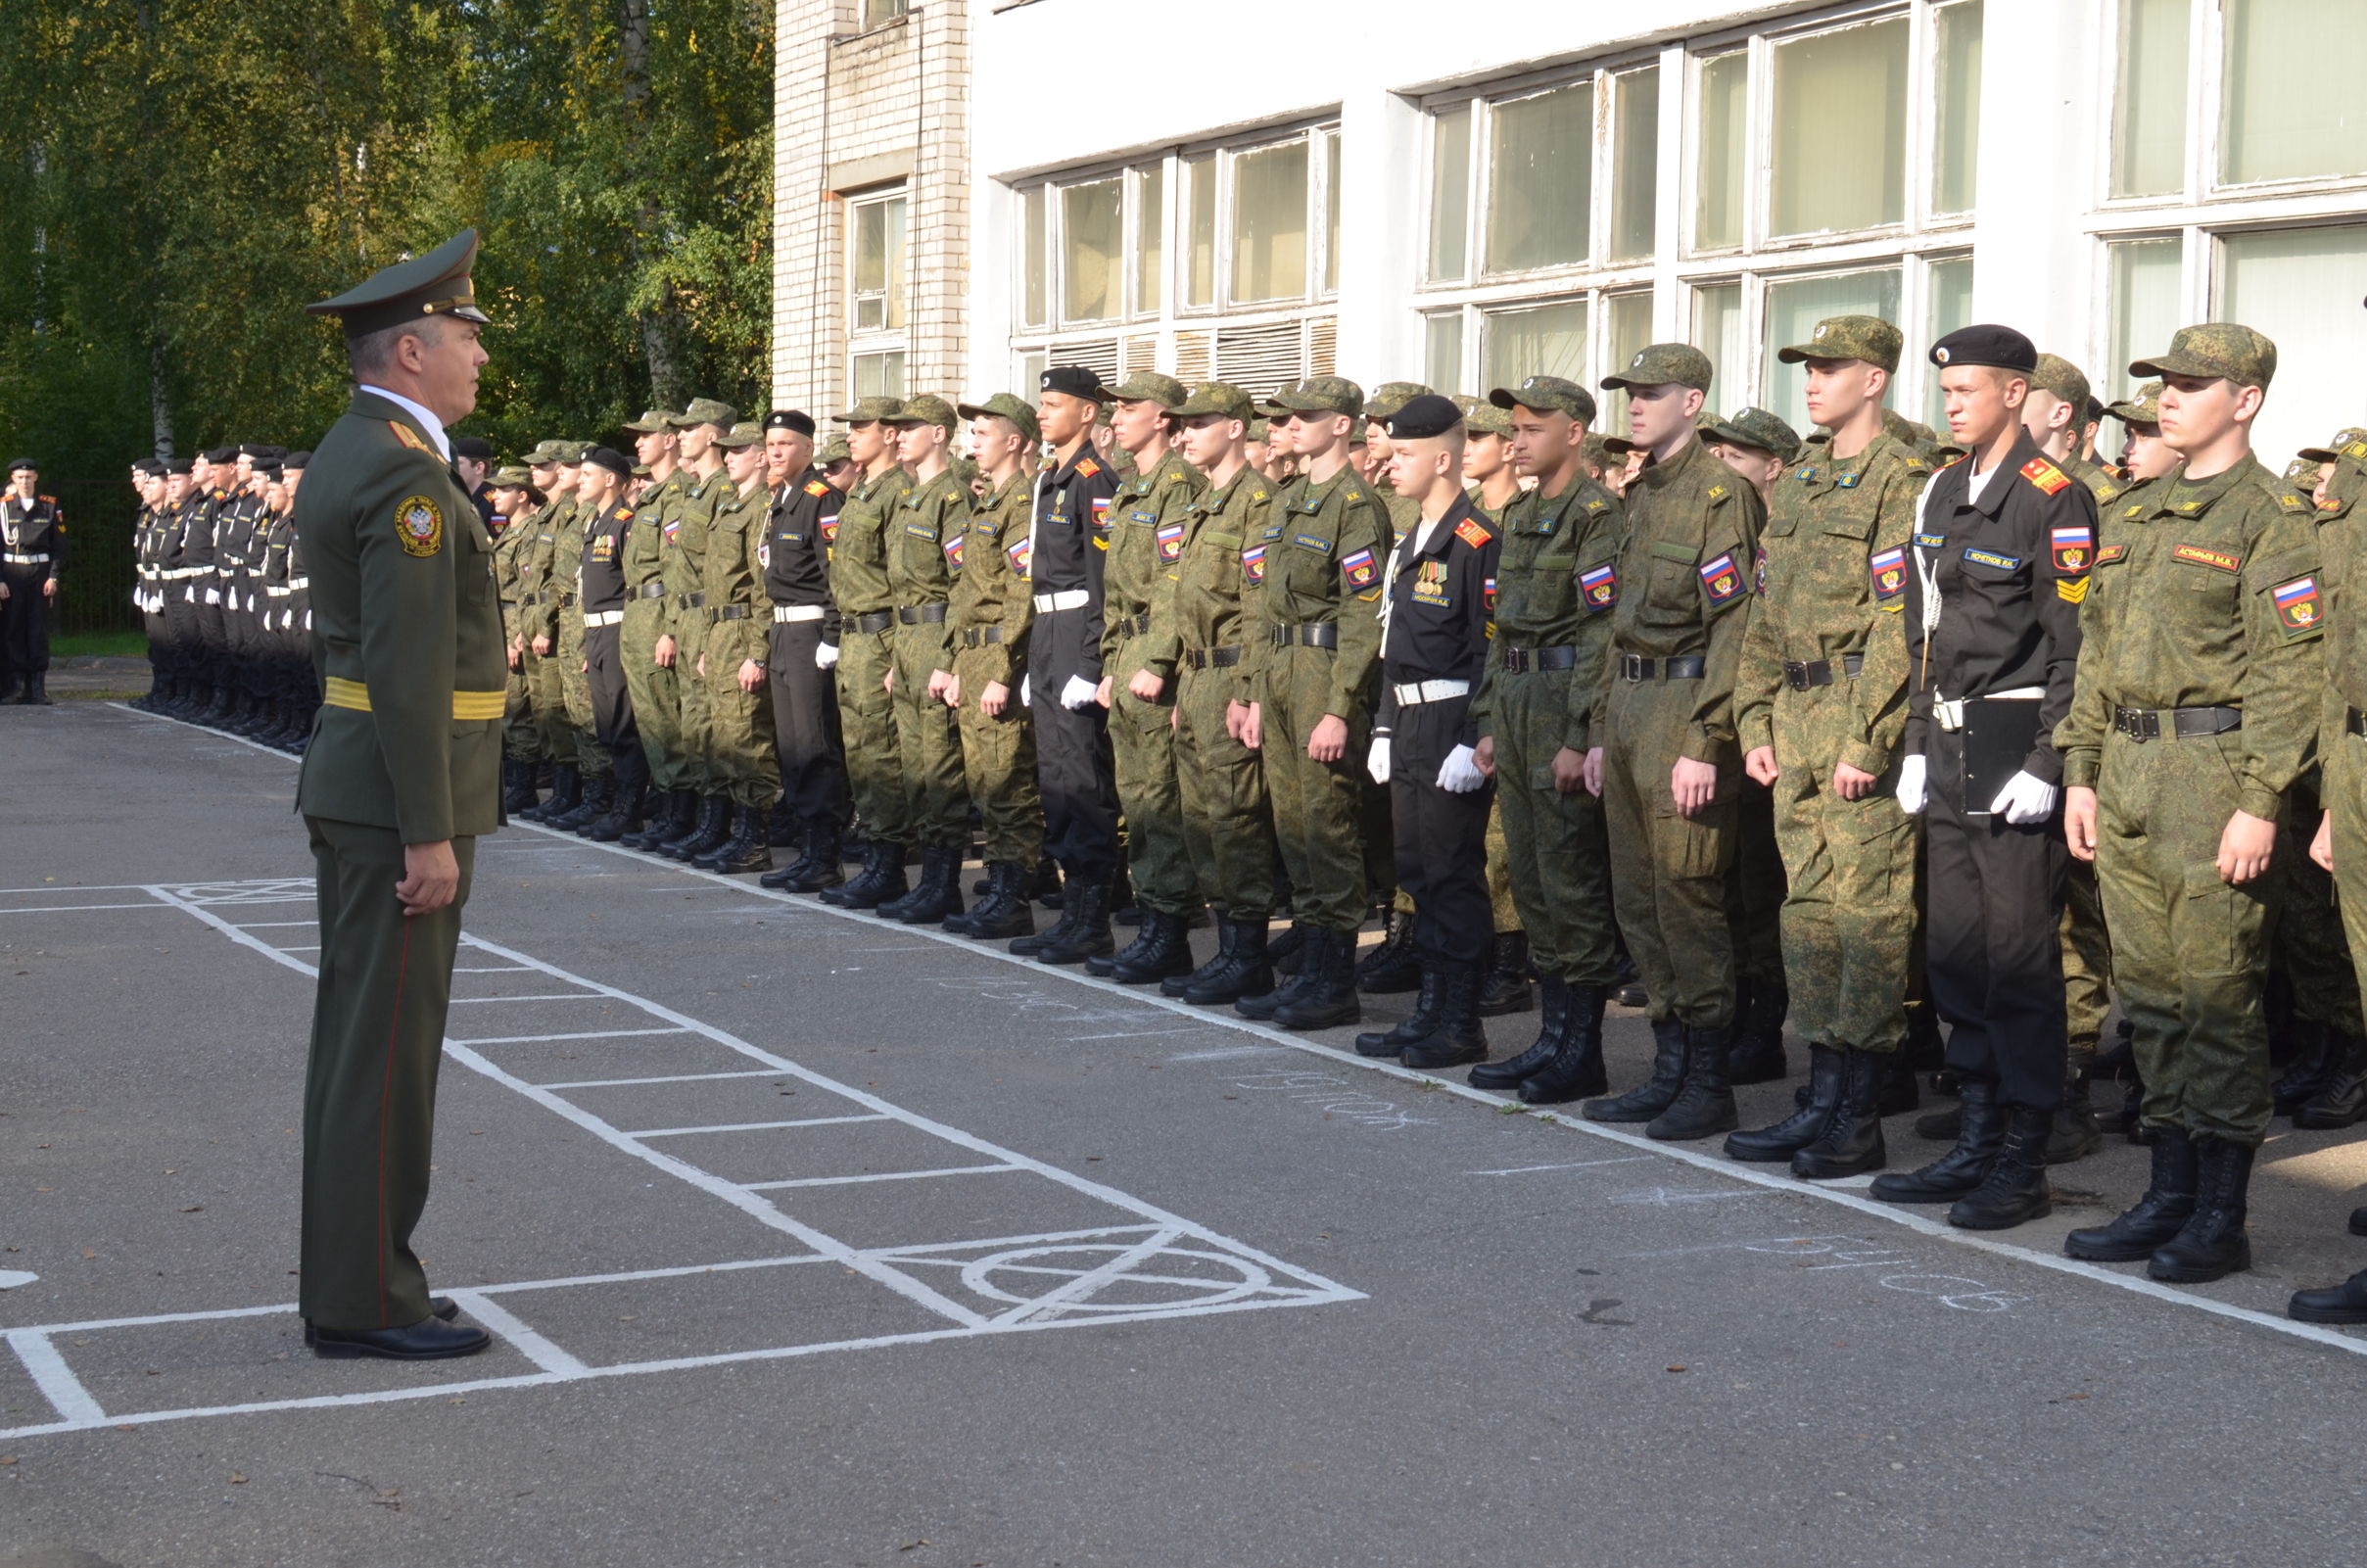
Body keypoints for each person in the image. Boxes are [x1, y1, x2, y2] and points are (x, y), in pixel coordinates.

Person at [2059, 323, 2324, 1283]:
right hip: (2126, 774)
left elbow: (2291, 675)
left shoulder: (2272, 517)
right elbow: (2095, 655)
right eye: (2162, 382)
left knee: (2216, 998)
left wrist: (2260, 800)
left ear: (2243, 399)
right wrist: (2080, 769)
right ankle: (2166, 1191)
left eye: (2188, 384)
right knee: (2156, 1000)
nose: (2166, 397)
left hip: (2212, 777)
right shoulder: (2129, 513)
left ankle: (2219, 1212)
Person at [291, 228, 503, 1360]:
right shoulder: (399, 473)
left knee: (362, 1045)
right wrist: (432, 831)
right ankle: (368, 1297)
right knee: (385, 1055)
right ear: (413, 350)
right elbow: (408, 666)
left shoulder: (355, 450)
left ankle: (363, 1275)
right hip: (396, 800)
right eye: (466, 336)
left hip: (362, 785)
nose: (478, 356)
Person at [1872, 325, 2095, 1226]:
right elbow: (1923, 636)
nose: (1951, 402)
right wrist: (1917, 742)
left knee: (2018, 961)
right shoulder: (1938, 491)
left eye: (1968, 388)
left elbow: (2075, 646)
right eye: (1947, 389)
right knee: (1955, 953)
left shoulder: (2053, 496)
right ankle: (1972, 1132)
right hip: (1952, 745)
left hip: (2013, 744)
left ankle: (2023, 1156)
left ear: (2014, 393)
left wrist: (2050, 761)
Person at [1582, 344, 1764, 1139]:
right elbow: (1610, 627)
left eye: (1650, 393)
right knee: (1639, 897)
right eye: (1629, 394)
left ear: (1692, 402)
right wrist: (1595, 732)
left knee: (1688, 897)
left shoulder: (1719, 494)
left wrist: (1707, 738)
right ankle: (1667, 1064)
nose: (1635, 406)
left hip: (1684, 706)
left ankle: (1706, 1079)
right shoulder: (1639, 492)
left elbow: (1735, 626)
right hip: (1626, 704)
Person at [1463, 376, 1626, 1103]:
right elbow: (1502, 629)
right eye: (1515, 428)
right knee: (1530, 877)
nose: (1518, 439)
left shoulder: (1597, 515)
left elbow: (1599, 633)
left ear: (1575, 433)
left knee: (1569, 879)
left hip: (1561, 697)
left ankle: (1580, 1048)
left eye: (1533, 428)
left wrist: (1576, 733)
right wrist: (1491, 718)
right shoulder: (1523, 512)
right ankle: (1551, 1037)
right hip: (1520, 696)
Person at [1349, 395, 1500, 1068]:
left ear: (1442, 459)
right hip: (1407, 717)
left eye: (1403, 453)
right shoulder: (1409, 539)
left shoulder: (1476, 541)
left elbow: (1489, 646)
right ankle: (1430, 1010)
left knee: (1451, 874)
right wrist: (1383, 726)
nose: (1388, 463)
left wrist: (1475, 734)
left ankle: (1460, 1022)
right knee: (1416, 871)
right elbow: (1392, 644)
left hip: (1448, 719)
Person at [1239, 377, 1394, 1030]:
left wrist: (1339, 704)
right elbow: (1259, 603)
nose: (1292, 424)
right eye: (1288, 416)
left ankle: (1333, 981)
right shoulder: (1287, 498)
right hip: (1278, 668)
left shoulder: (1354, 505)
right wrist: (1250, 691)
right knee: (1293, 824)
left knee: (1327, 825)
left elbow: (1363, 616)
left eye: (1307, 416)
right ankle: (1309, 966)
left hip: (1324, 670)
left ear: (1342, 426)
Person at [1160, 383, 1284, 1006]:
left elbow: (1259, 606)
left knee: (1236, 819)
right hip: (1198, 675)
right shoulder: (1204, 503)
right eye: (1180, 427)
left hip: (1234, 673)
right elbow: (1186, 602)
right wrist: (1185, 678)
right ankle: (1227, 949)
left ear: (1235, 428)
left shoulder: (1258, 503)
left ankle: (1247, 956)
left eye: (1198, 424)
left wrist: (1247, 691)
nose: (1183, 436)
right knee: (1202, 821)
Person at [1092, 372, 1207, 982]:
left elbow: (1173, 585)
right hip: (1126, 655)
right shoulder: (1132, 483)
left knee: (1160, 798)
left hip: (1153, 660)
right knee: (1136, 798)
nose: (1117, 418)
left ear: (1162, 418)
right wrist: (1112, 662)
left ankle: (1171, 929)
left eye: (1129, 408)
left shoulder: (1178, 485)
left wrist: (1156, 661)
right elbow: (1118, 590)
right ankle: (1155, 918)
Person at [1015, 367, 1125, 961]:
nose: (1042, 413)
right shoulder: (1051, 476)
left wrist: (1089, 659)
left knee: (1083, 780)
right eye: (1041, 403)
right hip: (1047, 629)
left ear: (1087, 413)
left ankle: (1093, 919)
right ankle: (1072, 909)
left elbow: (1101, 579)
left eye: (1053, 404)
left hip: (1077, 629)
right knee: (1055, 778)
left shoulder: (1092, 479)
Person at [941, 394, 1048, 940]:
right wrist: (959, 661)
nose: (973, 444)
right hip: (974, 650)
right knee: (985, 779)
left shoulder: (1021, 502)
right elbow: (967, 591)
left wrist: (1003, 670)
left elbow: (1019, 593)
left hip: (999, 652)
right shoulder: (989, 503)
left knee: (1008, 781)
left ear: (1015, 441)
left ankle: (1014, 895)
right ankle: (1001, 884)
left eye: (983, 435)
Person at [871, 396, 973, 923]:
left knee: (939, 766)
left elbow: (962, 586)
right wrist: (896, 656)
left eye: (909, 427)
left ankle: (944, 883)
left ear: (938, 434)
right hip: (908, 639)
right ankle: (928, 879)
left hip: (936, 636)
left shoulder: (951, 496)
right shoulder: (912, 497)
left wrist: (951, 658)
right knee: (914, 765)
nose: (899, 435)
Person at [818, 397, 916, 909]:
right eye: (850, 428)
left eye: (861, 427)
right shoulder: (861, 492)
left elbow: (905, 579)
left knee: (881, 751)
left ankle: (890, 864)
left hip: (881, 636)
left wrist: (899, 653)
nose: (852, 435)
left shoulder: (899, 492)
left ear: (891, 435)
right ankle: (877, 856)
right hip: (855, 636)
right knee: (860, 750)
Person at [758, 409, 853, 891]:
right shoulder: (783, 499)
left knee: (815, 745)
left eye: (786, 444)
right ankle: (805, 848)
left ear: (809, 449)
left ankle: (824, 855)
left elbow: (835, 576)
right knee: (792, 746)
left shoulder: (821, 498)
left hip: (811, 633)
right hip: (782, 633)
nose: (775, 452)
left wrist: (832, 640)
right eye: (771, 444)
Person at [685, 423, 781, 874]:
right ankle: (733, 831)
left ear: (761, 458)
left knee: (747, 739)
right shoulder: (731, 506)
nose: (728, 458)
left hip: (743, 632)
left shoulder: (762, 508)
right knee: (724, 738)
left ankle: (754, 839)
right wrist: (706, 642)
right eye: (726, 451)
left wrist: (757, 652)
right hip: (719, 631)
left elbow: (762, 590)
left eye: (739, 451)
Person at [652, 400, 741, 864]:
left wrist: (708, 637)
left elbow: (721, 573)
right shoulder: (693, 491)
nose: (681, 434)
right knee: (693, 727)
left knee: (715, 728)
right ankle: (706, 821)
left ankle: (721, 824)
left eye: (691, 428)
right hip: (684, 618)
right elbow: (676, 569)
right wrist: (671, 626)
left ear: (714, 436)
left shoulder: (727, 491)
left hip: (710, 619)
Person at [574, 448, 653, 842]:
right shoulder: (595, 522)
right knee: (607, 725)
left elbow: (632, 584)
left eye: (588, 473)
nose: (580, 479)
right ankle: (614, 804)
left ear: (610, 479)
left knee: (624, 726)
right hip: (596, 632)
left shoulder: (625, 521)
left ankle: (630, 809)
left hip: (619, 629)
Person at [1, 458, 65, 704]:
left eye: (28, 477)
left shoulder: (49, 506)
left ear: (36, 478)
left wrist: (54, 576)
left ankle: (37, 686)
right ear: (13, 479)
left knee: (37, 629)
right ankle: (16, 686)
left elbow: (59, 546)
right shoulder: (3, 507)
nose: (24, 482)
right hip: (12, 573)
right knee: (13, 628)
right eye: (19, 477)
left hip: (39, 573)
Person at [452, 435, 496, 528]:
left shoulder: (494, 504)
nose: (452, 467)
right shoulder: (456, 497)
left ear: (479, 468)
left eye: (458, 463)